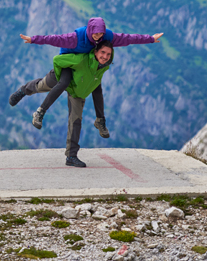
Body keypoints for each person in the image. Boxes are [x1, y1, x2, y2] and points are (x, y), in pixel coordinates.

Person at [11, 41, 116, 167]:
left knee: (76, 120)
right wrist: (63, 77)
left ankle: (71, 156)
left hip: (76, 89)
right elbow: (57, 59)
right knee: (40, 86)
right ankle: (24, 90)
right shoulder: (80, 60)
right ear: (95, 51)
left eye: (108, 54)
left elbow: (96, 89)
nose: (105, 56)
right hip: (60, 78)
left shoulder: (103, 66)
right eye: (102, 52)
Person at [19, 16, 163, 55]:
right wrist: (33, 39)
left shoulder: (107, 37)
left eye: (101, 33)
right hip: (69, 56)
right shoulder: (75, 37)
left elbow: (129, 38)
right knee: (62, 82)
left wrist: (150, 39)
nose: (98, 36)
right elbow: (53, 39)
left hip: (86, 58)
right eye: (96, 33)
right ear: (90, 30)